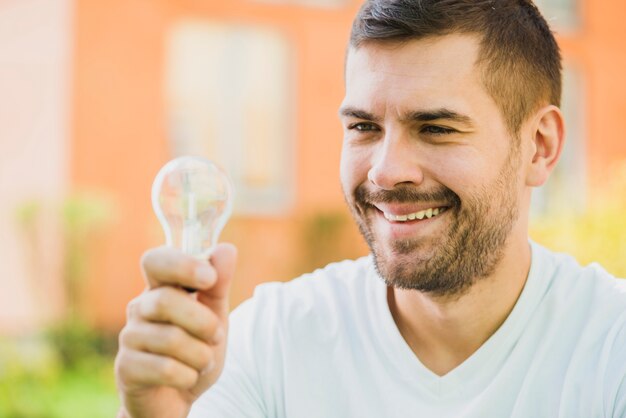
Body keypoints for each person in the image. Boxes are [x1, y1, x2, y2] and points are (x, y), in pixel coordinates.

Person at [114, 1, 626, 417]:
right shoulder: (272, 344)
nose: (385, 171)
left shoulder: (610, 347)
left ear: (539, 146)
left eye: (436, 128)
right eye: (364, 127)